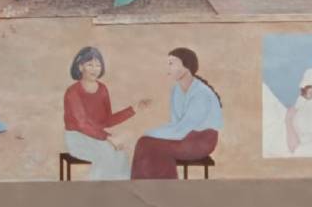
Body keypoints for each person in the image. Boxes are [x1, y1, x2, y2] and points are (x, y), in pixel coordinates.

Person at [131, 48, 222, 179]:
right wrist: (151, 135)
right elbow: (175, 124)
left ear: (186, 66)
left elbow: (184, 128)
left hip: (201, 140)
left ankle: (166, 189)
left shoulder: (201, 93)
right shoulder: (176, 90)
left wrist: (150, 133)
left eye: (172, 63)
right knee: (144, 142)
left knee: (149, 143)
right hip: (183, 136)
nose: (168, 68)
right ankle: (144, 188)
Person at [63, 47, 140, 181]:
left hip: (99, 137)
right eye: (90, 65)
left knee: (121, 154)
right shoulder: (72, 92)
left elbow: (107, 121)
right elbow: (82, 124)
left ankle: (120, 192)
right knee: (107, 154)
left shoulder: (103, 89)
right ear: (80, 67)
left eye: (98, 65)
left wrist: (133, 109)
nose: (95, 69)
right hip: (78, 138)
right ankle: (96, 195)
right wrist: (108, 138)